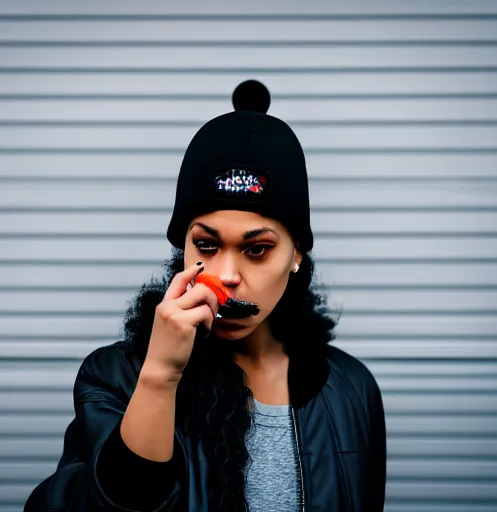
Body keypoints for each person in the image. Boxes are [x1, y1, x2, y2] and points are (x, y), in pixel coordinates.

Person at [24, 80, 387, 512]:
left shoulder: (350, 390)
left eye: (257, 249)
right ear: (185, 249)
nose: (226, 276)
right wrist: (160, 377)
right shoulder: (116, 377)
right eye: (207, 245)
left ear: (296, 257)